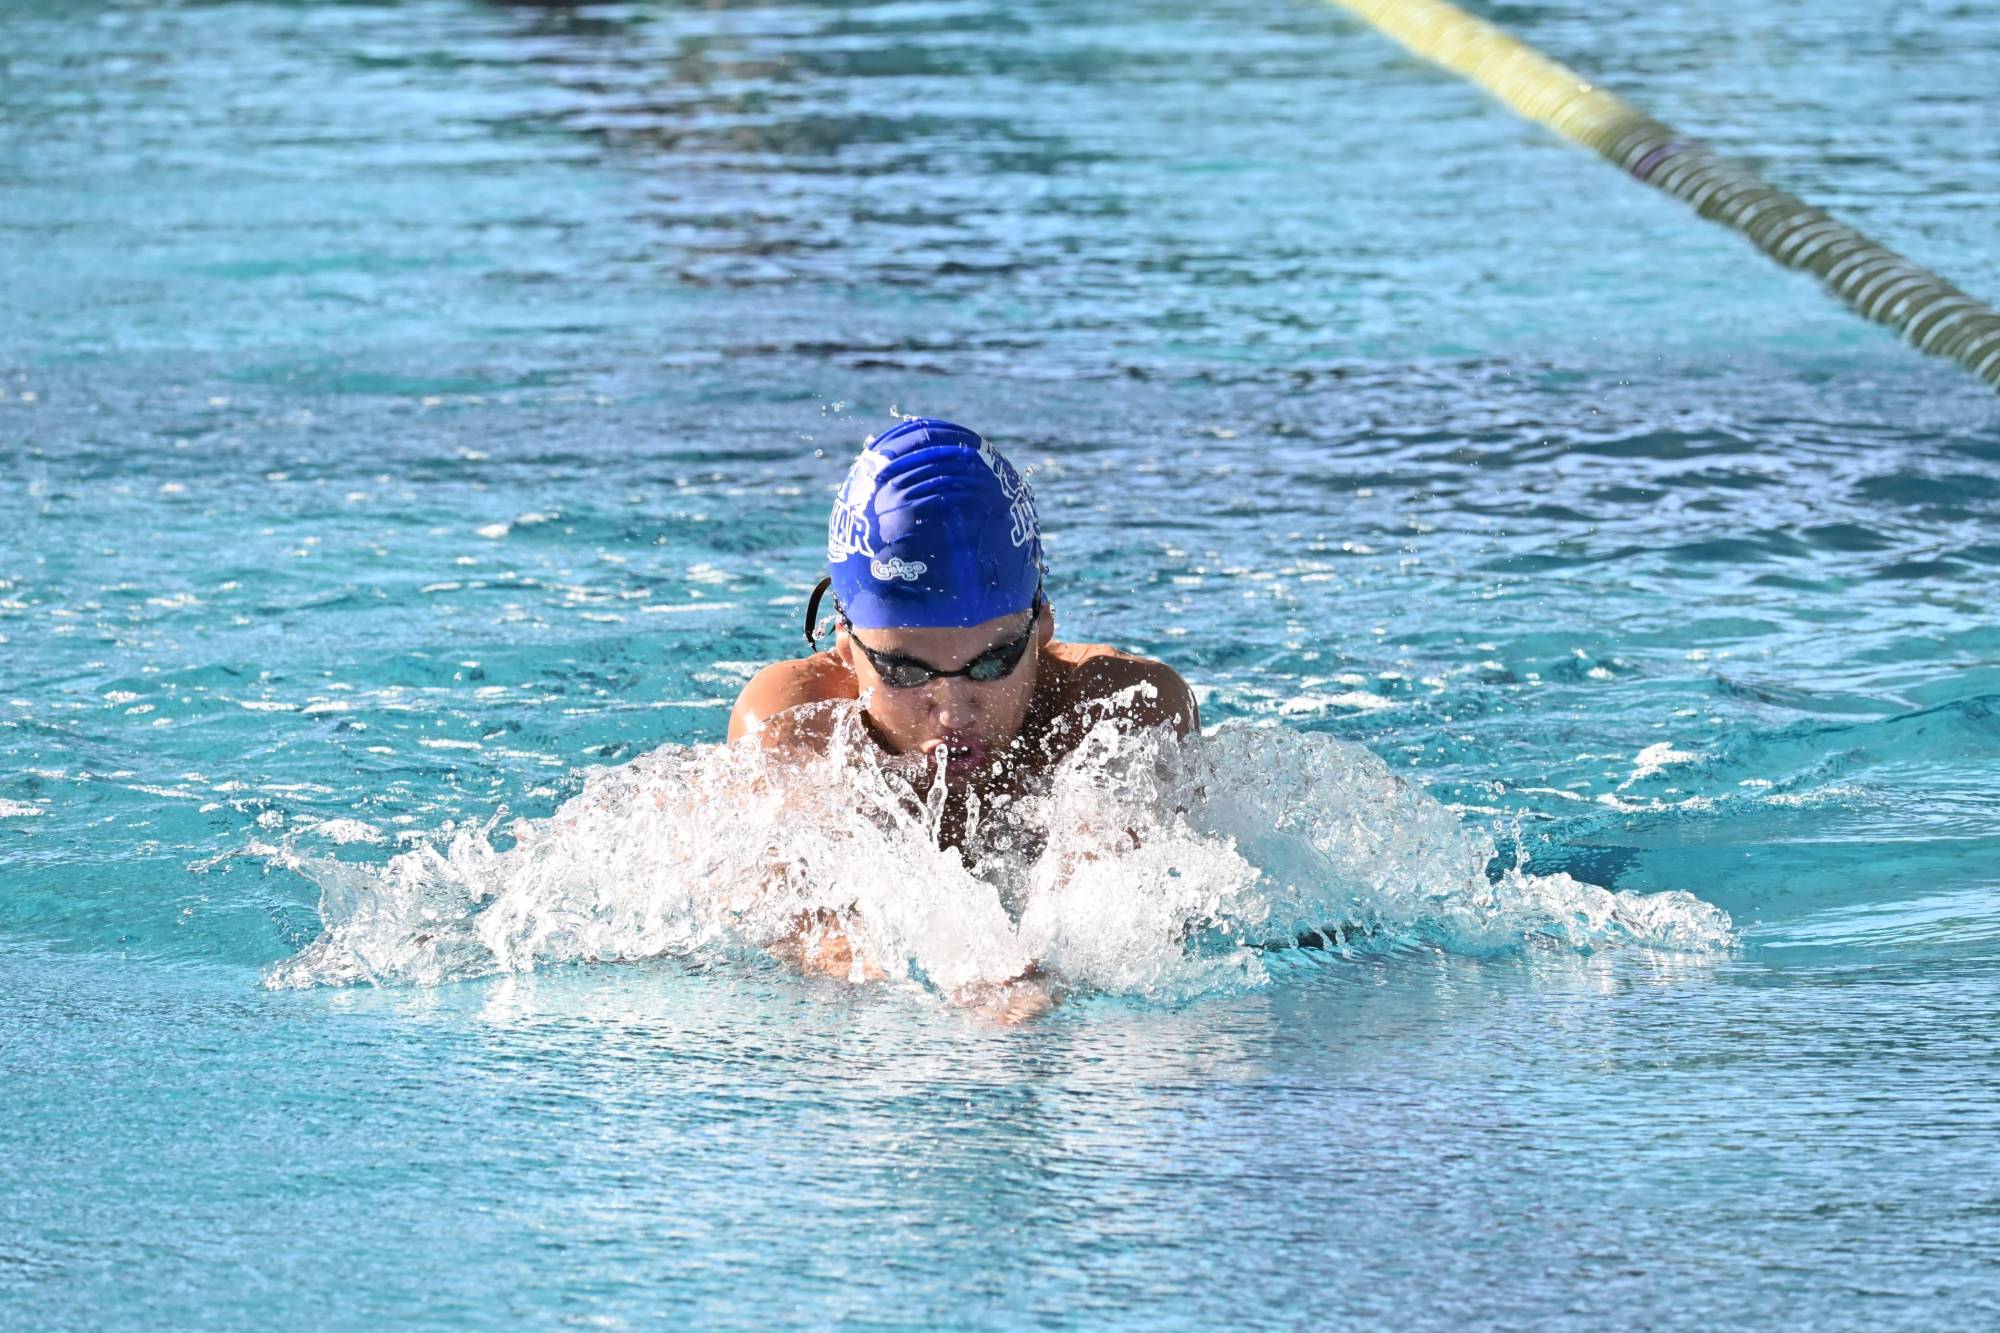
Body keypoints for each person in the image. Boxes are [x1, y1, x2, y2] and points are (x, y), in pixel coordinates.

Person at [726, 417, 1198, 1013]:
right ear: (845, 643)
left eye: (991, 662)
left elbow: (1115, 890)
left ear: (1041, 625)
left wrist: (1043, 980)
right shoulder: (794, 718)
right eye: (903, 670)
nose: (951, 709)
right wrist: (928, 983)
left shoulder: (1118, 707)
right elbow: (810, 916)